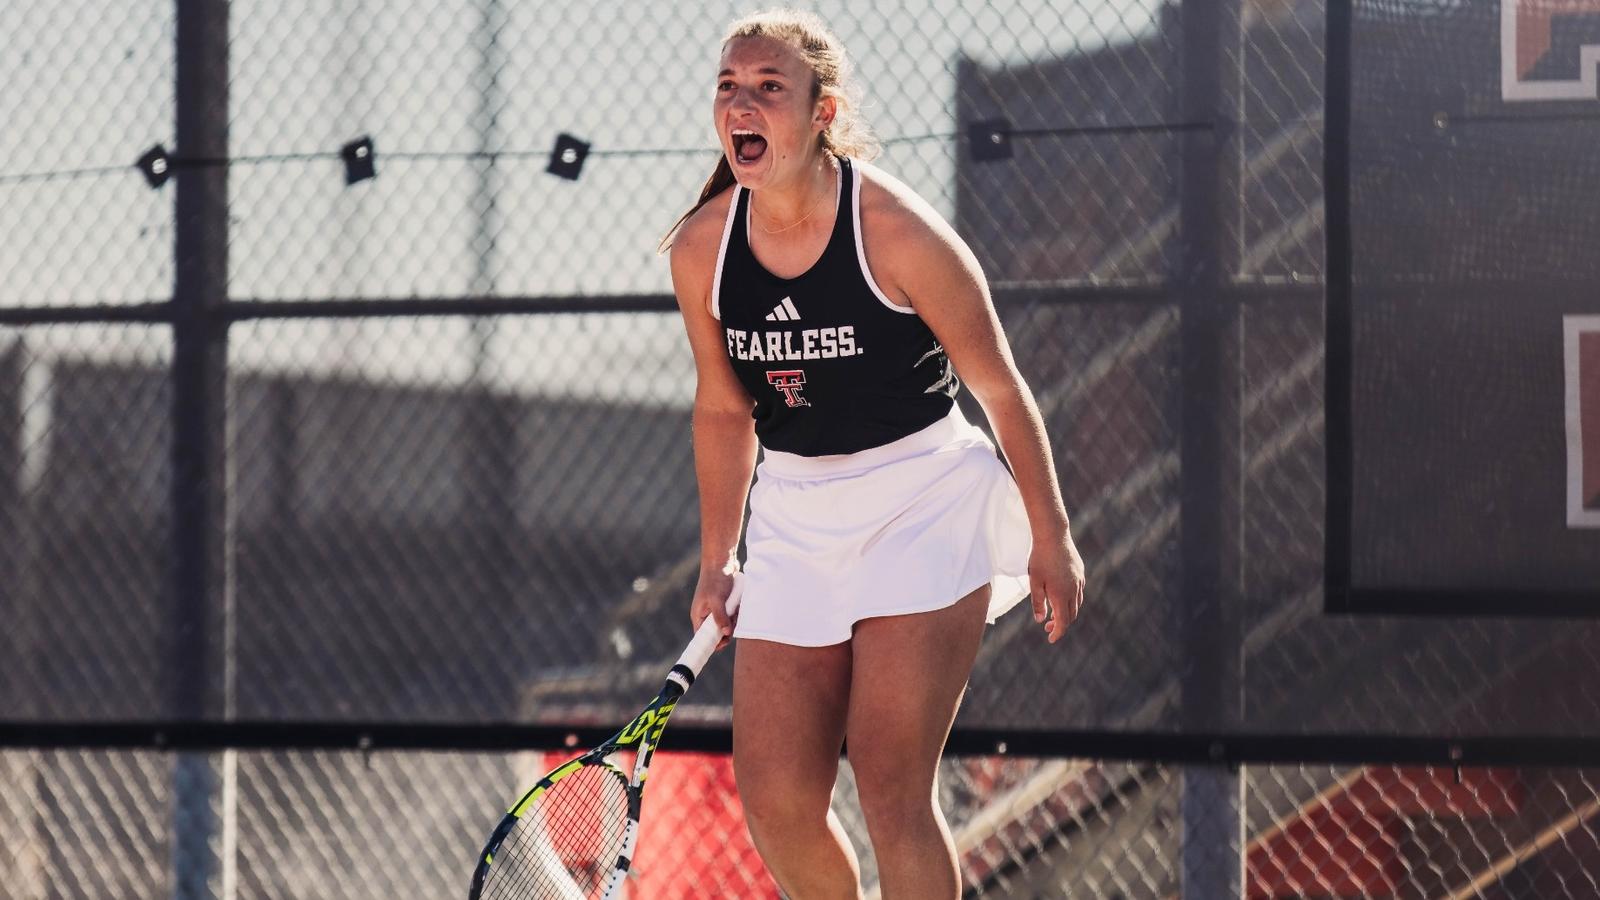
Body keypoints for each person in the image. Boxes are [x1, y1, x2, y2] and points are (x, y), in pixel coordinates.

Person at [660, 9, 1086, 899]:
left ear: (823, 111)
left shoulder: (897, 230)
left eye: (769, 87)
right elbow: (720, 408)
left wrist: (1052, 535)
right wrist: (717, 558)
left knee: (893, 787)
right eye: (729, 87)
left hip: (925, 500)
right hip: (794, 518)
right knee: (776, 803)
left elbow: (1002, 391)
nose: (743, 103)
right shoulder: (703, 248)